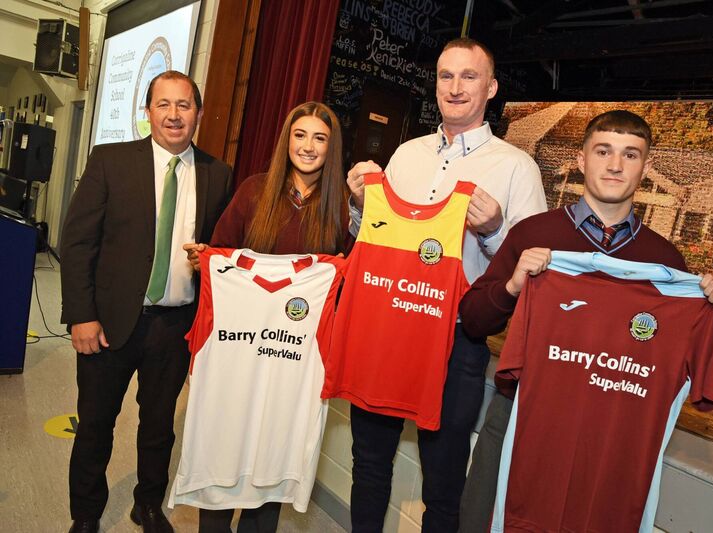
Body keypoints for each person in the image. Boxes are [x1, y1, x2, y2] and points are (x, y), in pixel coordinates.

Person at [457, 109, 713, 533]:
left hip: (610, 432)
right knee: (484, 521)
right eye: (603, 151)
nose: (615, 165)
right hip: (521, 413)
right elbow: (473, 320)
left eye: (630, 154)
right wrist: (512, 285)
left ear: (645, 167)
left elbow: (677, 358)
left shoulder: (664, 261)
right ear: (582, 160)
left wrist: (709, 309)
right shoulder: (535, 233)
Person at [345, 38, 548, 532]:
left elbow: (535, 273)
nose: (455, 88)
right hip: (388, 326)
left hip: (456, 341)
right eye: (445, 76)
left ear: (492, 87)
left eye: (469, 76)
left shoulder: (516, 168)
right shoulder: (406, 154)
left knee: (443, 483)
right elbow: (372, 238)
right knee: (369, 464)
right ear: (435, 83)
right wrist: (357, 206)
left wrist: (497, 229)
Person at [60, 70, 232, 533]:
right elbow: (77, 243)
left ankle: (148, 505)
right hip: (110, 322)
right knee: (95, 424)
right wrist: (82, 316)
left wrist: (211, 261)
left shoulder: (219, 174)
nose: (174, 115)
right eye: (164, 105)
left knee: (159, 427)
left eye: (184, 105)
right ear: (147, 112)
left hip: (175, 326)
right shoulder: (110, 161)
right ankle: (86, 514)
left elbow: (225, 249)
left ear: (198, 112)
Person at [181, 101, 350, 533]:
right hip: (239, 348)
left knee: (271, 453)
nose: (308, 147)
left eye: (319, 138)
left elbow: (348, 281)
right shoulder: (255, 190)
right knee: (225, 443)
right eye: (300, 135)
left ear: (332, 148)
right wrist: (207, 262)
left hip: (291, 357)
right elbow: (220, 252)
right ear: (285, 141)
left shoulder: (341, 208)